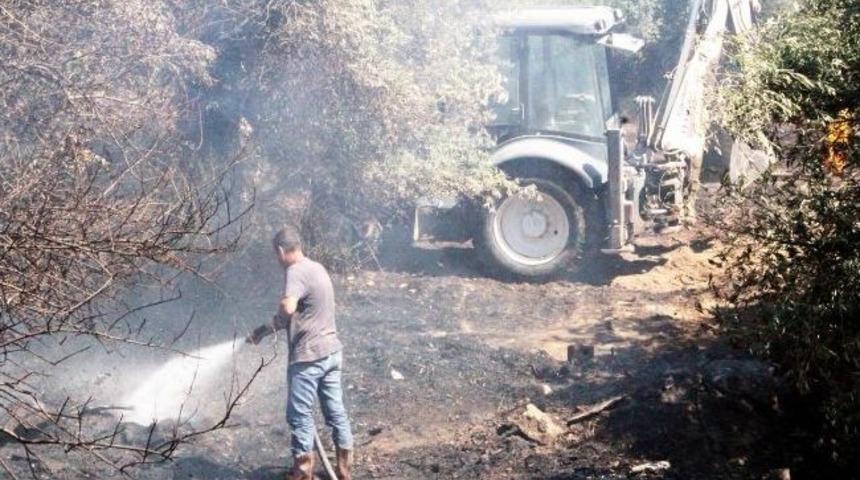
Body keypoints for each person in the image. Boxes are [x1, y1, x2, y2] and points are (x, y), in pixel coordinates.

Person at [247, 227, 354, 480]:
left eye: (276, 254)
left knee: (299, 416)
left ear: (280, 251)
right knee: (336, 412)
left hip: (309, 357)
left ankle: (303, 474)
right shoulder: (317, 267)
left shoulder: (295, 271)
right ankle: (344, 472)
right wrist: (263, 331)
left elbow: (288, 307)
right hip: (331, 352)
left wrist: (278, 316)